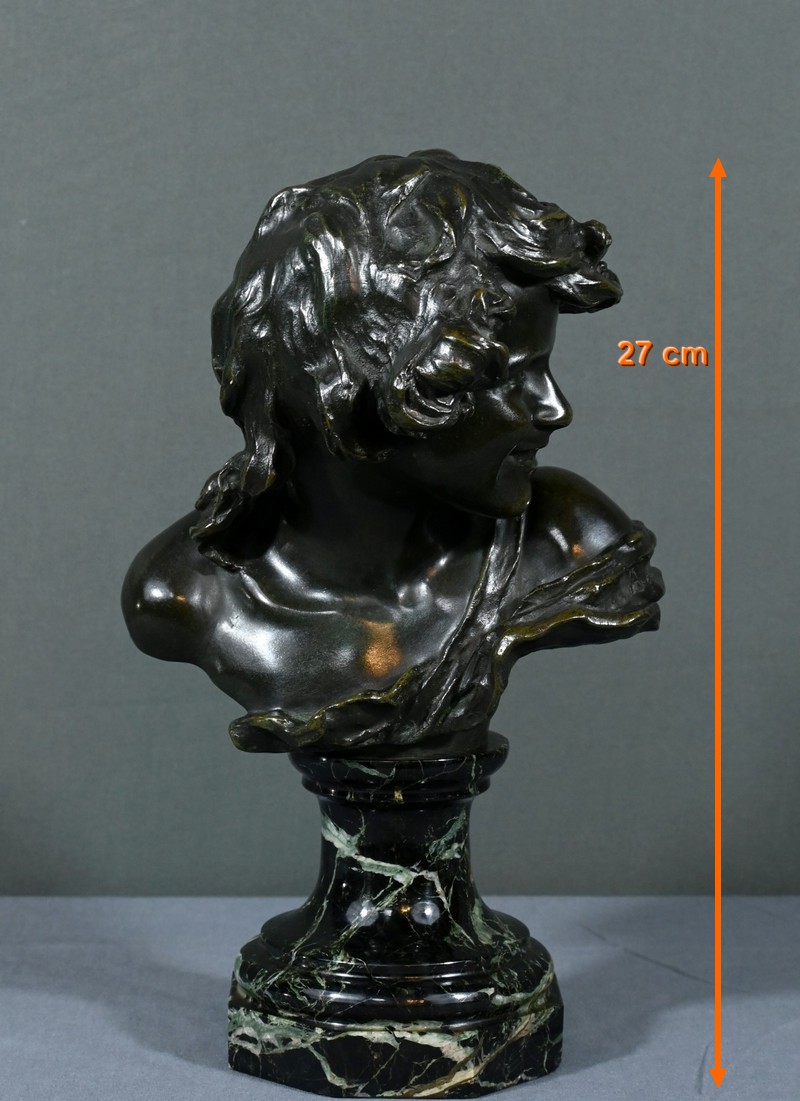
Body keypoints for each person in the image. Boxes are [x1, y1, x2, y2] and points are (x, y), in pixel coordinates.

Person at [122, 150, 663, 754]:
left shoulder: (567, 538)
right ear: (358, 393)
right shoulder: (185, 593)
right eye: (508, 378)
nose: (556, 409)